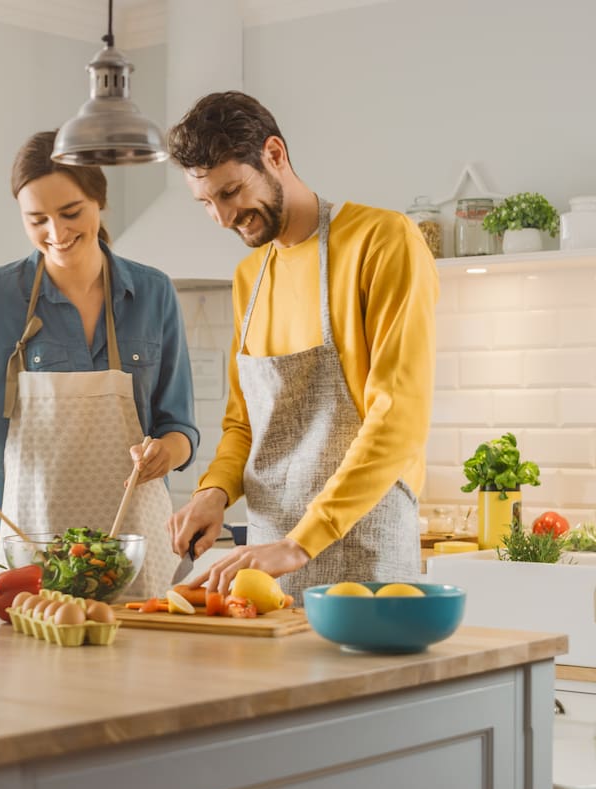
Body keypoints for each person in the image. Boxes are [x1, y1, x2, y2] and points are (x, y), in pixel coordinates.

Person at [165, 91, 438, 604]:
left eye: (230, 192)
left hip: (365, 553)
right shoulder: (250, 276)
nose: (223, 218)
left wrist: (301, 543)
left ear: (274, 155)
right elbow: (244, 423)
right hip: (264, 565)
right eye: (206, 203)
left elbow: (396, 418)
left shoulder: (382, 241)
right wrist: (213, 493)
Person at [0, 130, 198, 599]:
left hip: (138, 550)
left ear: (99, 201)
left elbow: (178, 426)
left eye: (71, 213)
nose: (56, 234)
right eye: (37, 219)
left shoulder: (153, 293)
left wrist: (167, 452)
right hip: (31, 554)